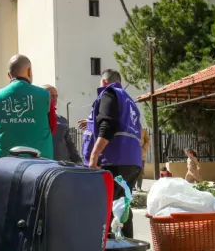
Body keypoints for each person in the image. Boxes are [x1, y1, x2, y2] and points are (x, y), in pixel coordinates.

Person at [80, 69, 143, 238]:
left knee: (106, 210)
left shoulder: (109, 93)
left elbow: (108, 125)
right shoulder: (129, 100)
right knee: (123, 210)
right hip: (132, 162)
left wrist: (94, 156)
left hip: (113, 160)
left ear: (104, 82)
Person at [0, 54, 55, 161]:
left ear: (9, 75)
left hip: (4, 165)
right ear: (29, 71)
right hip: (40, 163)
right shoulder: (44, 95)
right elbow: (53, 127)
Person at [43, 85, 81, 163]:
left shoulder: (62, 120)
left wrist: (78, 160)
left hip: (63, 164)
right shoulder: (37, 120)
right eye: (52, 96)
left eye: (56, 96)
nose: (55, 99)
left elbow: (69, 143)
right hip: (44, 164)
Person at [136, 126, 151, 191]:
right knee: (131, 170)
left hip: (141, 154)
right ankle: (132, 186)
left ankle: (139, 186)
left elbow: (148, 140)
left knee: (140, 171)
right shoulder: (129, 127)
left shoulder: (143, 130)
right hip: (131, 154)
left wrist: (144, 149)